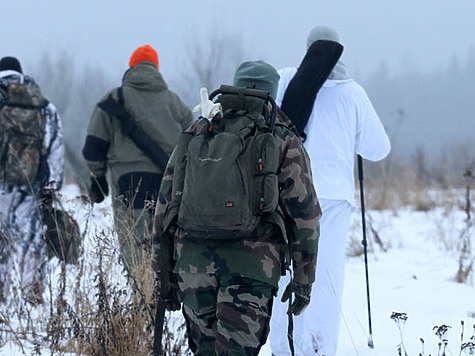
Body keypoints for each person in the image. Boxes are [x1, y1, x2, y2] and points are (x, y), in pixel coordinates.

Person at [153, 60, 321, 356]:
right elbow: (305, 216)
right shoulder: (281, 136)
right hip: (253, 268)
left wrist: (163, 277)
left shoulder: (199, 131)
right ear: (273, 91)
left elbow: (165, 207)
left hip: (193, 266)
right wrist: (303, 282)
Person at [269, 26, 391, 356]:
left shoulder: (285, 79)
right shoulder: (353, 93)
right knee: (325, 277)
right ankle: (319, 350)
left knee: (284, 271)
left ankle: (283, 347)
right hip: (334, 199)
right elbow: (378, 148)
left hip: (285, 193)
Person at [82, 44, 193, 280]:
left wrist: (97, 177)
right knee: (162, 246)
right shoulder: (176, 104)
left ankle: (141, 300)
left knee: (133, 249)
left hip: (128, 185)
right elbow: (191, 147)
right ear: (156, 69)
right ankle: (159, 299)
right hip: (167, 185)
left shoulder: (114, 99)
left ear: (131, 67)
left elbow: (93, 145)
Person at [0, 56, 64, 305]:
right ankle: (32, 294)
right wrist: (52, 185)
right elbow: (55, 144)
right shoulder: (42, 104)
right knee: (31, 238)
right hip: (31, 183)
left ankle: (2, 297)